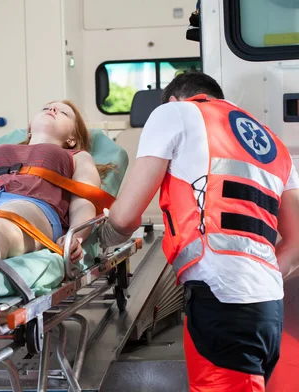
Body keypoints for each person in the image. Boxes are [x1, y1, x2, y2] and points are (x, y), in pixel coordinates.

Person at [98, 71, 299, 391]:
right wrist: (262, 273)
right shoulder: (272, 141)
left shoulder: (173, 113)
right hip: (269, 306)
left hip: (221, 299)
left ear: (174, 99)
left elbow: (124, 218)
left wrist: (101, 242)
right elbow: (296, 239)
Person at [0, 99, 116, 263]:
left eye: (63, 112)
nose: (52, 109)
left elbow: (83, 202)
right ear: (30, 127)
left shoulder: (77, 157)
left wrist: (75, 236)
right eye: (46, 108)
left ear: (72, 138)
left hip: (33, 204)